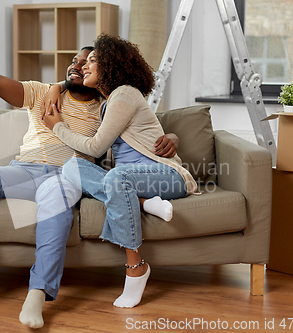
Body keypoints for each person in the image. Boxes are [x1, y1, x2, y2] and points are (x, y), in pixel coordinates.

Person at [0, 16, 179, 329]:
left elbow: (145, 127)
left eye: (87, 62)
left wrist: (173, 138)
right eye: (74, 61)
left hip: (65, 176)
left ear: (101, 72)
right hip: (24, 170)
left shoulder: (107, 105)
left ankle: (37, 294)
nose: (77, 65)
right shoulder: (42, 93)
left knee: (56, 201)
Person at [43, 34, 198, 309]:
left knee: (116, 177)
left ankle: (136, 267)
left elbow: (95, 145)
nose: (84, 66)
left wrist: (57, 126)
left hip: (167, 177)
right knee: (72, 167)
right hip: (132, 184)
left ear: (110, 65)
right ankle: (143, 203)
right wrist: (56, 86)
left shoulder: (124, 94)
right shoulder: (108, 103)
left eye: (93, 60)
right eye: (84, 62)